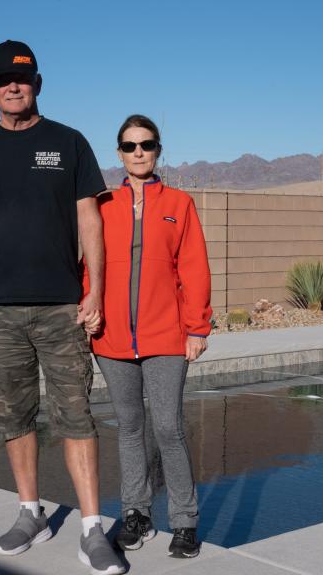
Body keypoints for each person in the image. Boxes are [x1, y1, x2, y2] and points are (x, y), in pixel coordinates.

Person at [0, 40, 125, 575]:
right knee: (13, 416)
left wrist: (95, 290)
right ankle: (30, 513)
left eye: (20, 79)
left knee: (76, 416)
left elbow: (90, 220)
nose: (12, 87)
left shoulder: (67, 143)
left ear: (37, 83)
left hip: (61, 308)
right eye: (2, 80)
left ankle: (92, 529)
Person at [83, 114, 212, 559]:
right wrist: (89, 309)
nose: (139, 152)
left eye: (147, 144)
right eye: (130, 145)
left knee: (168, 427)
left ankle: (185, 522)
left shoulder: (180, 203)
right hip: (113, 338)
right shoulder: (101, 204)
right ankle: (136, 515)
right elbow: (87, 267)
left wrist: (197, 327)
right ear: (118, 152)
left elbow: (194, 270)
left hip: (165, 337)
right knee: (130, 428)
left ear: (159, 150)